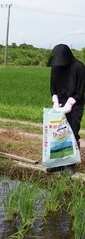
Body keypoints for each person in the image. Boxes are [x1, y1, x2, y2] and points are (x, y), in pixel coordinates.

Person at [48, 43, 85, 173]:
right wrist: (55, 99)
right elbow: (52, 85)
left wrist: (71, 101)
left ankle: (70, 164)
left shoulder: (78, 67)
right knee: (58, 133)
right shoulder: (56, 68)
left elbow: (81, 89)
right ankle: (58, 162)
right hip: (60, 104)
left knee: (71, 132)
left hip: (75, 105)